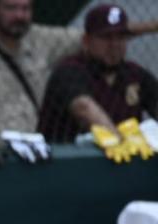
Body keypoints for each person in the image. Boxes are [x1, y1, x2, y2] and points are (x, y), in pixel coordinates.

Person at [0, 0, 158, 148]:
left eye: (25, 8)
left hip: (35, 150)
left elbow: (98, 34)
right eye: (11, 8)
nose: (19, 15)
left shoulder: (42, 40)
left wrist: (150, 26)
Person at [38, 4, 158, 143]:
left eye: (120, 37)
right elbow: (84, 108)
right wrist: (121, 142)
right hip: (65, 160)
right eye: (106, 37)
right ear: (86, 41)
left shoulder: (134, 74)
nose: (114, 44)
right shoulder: (69, 70)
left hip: (122, 160)